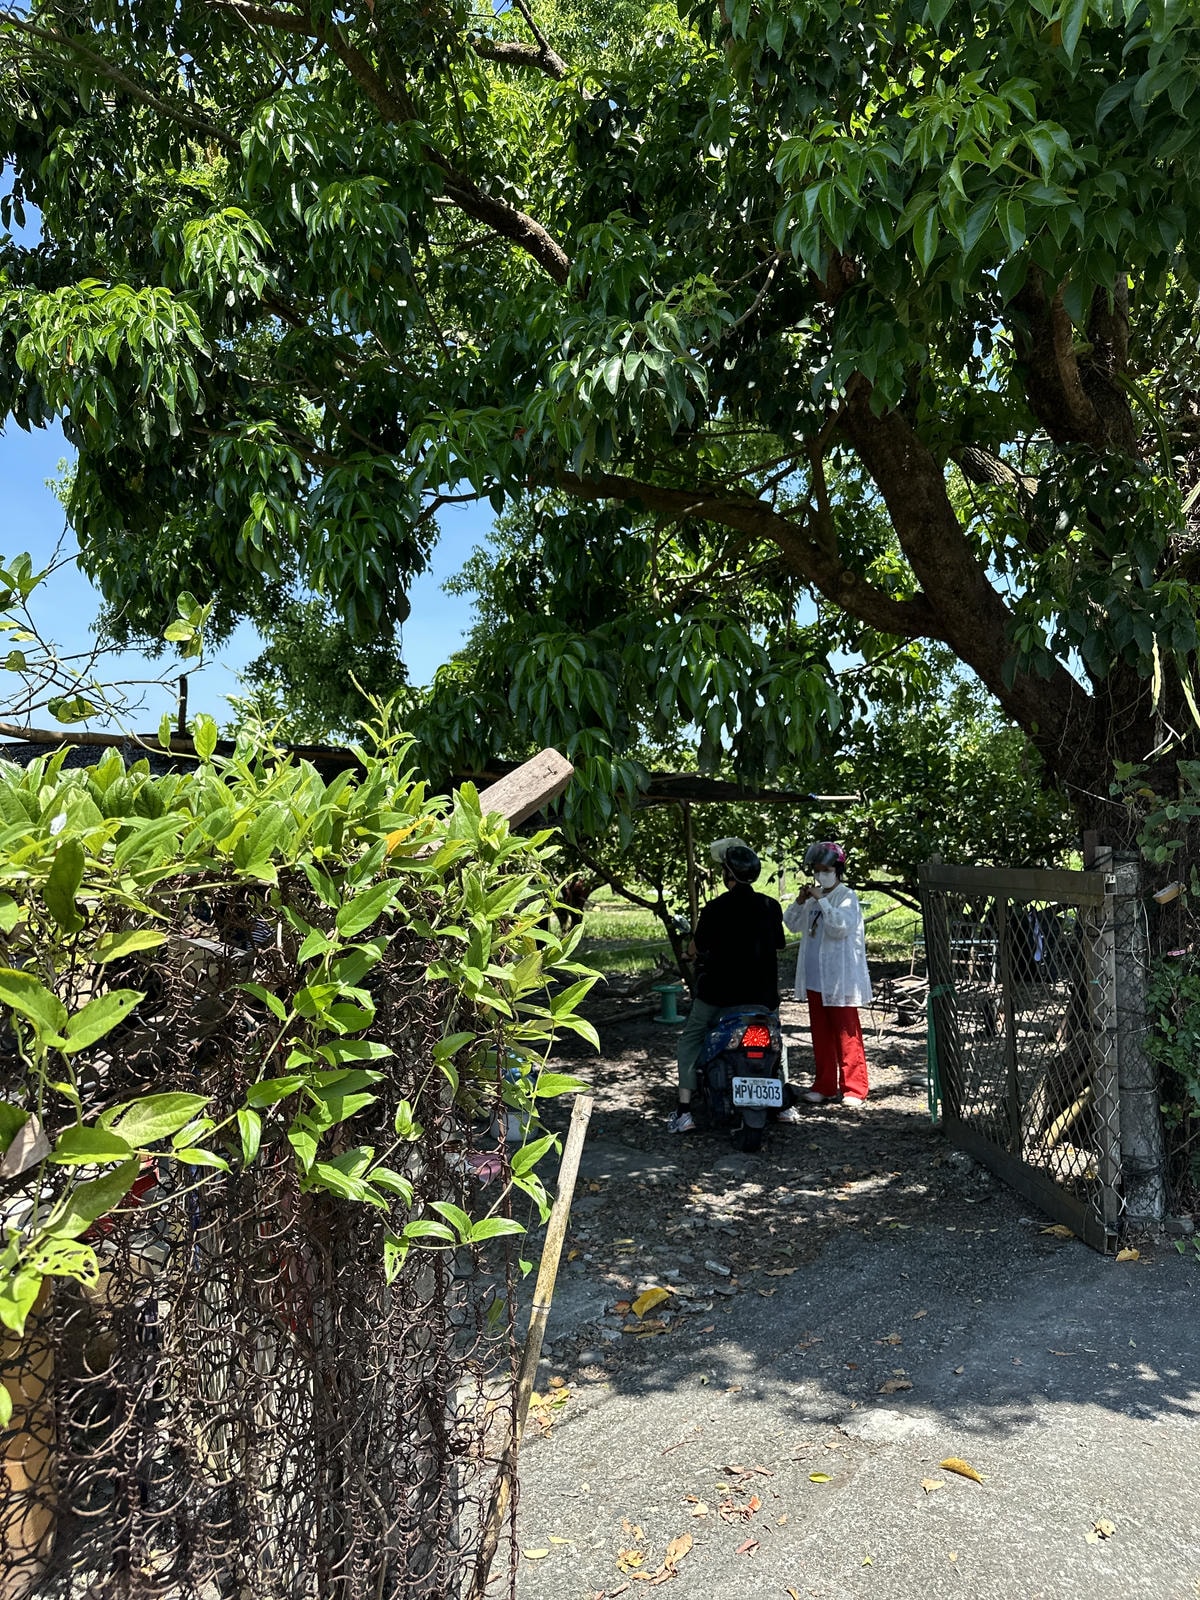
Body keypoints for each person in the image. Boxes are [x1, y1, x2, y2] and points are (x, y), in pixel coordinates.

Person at [668, 838, 787, 1133]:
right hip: (762, 996)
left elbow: (697, 947)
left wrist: (690, 952)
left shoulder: (714, 909)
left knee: (690, 1040)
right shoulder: (770, 906)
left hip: (719, 996)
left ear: (728, 876)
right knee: (776, 1040)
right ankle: (785, 1104)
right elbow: (780, 944)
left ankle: (684, 1111)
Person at [783, 841, 872, 1106]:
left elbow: (839, 928)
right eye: (817, 870)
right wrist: (801, 902)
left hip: (839, 977)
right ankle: (824, 1084)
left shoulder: (847, 896)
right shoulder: (813, 898)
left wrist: (822, 901)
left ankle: (854, 1087)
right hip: (814, 977)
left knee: (846, 1033)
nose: (820, 875)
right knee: (820, 1034)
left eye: (825, 869)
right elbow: (792, 924)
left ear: (837, 869)